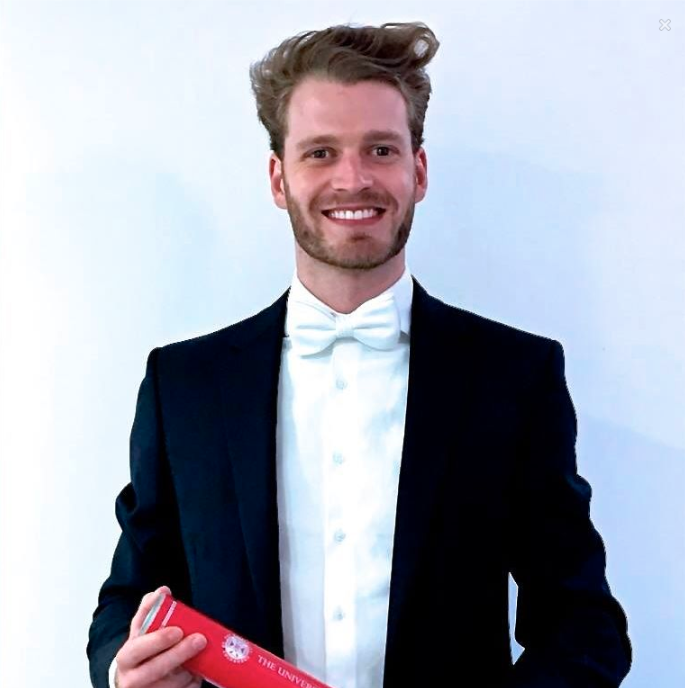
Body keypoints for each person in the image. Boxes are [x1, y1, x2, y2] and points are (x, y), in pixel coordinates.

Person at [87, 21, 632, 688]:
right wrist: (123, 668)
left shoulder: (514, 377)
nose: (352, 179)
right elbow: (130, 598)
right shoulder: (184, 384)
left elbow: (582, 624)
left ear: (418, 170)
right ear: (277, 178)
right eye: (319, 153)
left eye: (379, 149)